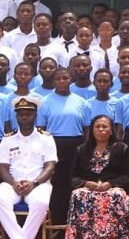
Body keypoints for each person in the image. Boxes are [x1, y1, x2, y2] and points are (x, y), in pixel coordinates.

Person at [0, 97, 57, 239]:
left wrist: (34, 183)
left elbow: (50, 167)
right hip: (12, 182)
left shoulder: (46, 138)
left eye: (28, 113)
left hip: (38, 183)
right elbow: (2, 167)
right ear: (16, 116)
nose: (24, 117)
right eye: (21, 114)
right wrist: (13, 183)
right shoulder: (7, 139)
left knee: (41, 203)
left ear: (35, 115)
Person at [62, 115, 129, 239]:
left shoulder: (122, 149)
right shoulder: (82, 149)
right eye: (97, 126)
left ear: (111, 130)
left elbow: (127, 176)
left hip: (112, 187)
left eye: (104, 127)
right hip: (89, 187)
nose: (101, 129)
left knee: (115, 196)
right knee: (78, 195)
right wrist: (86, 183)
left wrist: (110, 184)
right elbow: (73, 177)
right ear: (92, 130)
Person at [37, 67, 91, 227]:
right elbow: (41, 129)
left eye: (65, 78)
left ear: (71, 79)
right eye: (58, 78)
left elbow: (87, 128)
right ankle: (58, 225)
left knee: (74, 184)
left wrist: (85, 149)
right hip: (53, 145)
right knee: (56, 186)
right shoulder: (45, 102)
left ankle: (77, 225)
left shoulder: (82, 102)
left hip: (76, 145)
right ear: (53, 81)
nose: (62, 81)